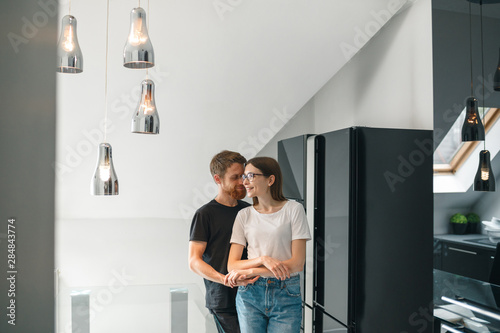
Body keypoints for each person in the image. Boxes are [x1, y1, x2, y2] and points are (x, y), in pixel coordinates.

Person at [225, 156, 311, 333]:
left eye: (251, 176)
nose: (245, 182)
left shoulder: (294, 210)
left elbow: (297, 263)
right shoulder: (243, 215)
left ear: (270, 179)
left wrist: (252, 270)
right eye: (244, 177)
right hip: (250, 294)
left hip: (285, 291)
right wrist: (263, 259)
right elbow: (232, 264)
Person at [189, 150, 258, 333]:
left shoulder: (250, 211)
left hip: (255, 296)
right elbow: (194, 261)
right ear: (218, 179)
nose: (242, 182)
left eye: (243, 176)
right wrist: (224, 280)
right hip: (223, 300)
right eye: (235, 177)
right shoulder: (205, 214)